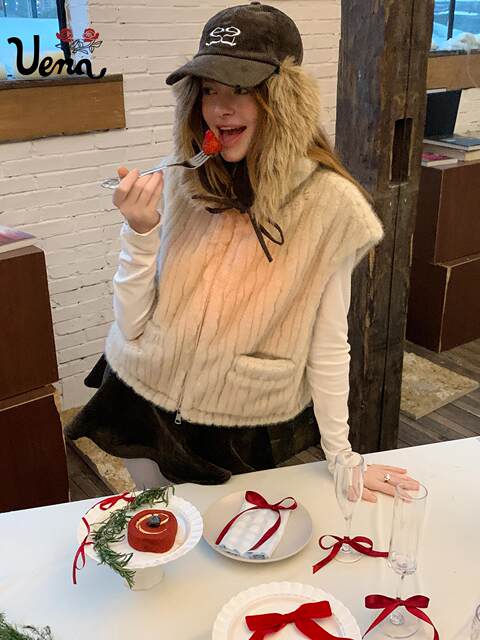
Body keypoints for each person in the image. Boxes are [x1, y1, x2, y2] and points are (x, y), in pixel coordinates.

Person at [66, 2, 417, 501]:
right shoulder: (182, 181)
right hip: (139, 397)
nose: (220, 108)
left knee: (228, 531)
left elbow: (328, 344)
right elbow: (131, 323)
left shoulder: (329, 205)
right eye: (209, 90)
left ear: (284, 98)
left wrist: (341, 455)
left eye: (241, 89)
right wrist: (140, 233)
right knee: (160, 520)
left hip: (233, 422)